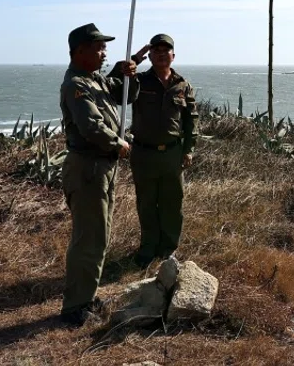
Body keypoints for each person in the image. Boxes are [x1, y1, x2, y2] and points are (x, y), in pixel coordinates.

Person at [58, 23, 147, 326]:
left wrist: (129, 69)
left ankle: (86, 296)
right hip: (87, 168)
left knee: (100, 235)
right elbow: (91, 127)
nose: (104, 52)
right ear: (80, 51)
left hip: (100, 168)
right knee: (89, 238)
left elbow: (124, 96)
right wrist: (118, 142)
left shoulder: (94, 79)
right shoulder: (76, 85)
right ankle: (75, 308)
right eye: (99, 47)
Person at [128, 33, 200, 267]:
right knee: (147, 204)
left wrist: (188, 149)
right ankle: (148, 248)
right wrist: (132, 61)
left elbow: (192, 120)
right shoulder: (137, 81)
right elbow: (117, 91)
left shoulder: (183, 85)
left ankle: (167, 249)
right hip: (144, 153)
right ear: (149, 55)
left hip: (172, 154)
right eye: (156, 51)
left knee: (172, 204)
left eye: (165, 50)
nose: (161, 54)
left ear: (173, 55)